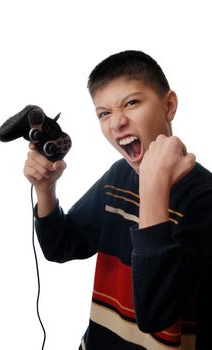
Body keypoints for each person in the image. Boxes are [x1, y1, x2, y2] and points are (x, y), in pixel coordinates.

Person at [24, 50, 212, 350]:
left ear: (169, 105)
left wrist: (153, 191)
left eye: (132, 103)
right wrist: (46, 190)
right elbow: (61, 246)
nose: (116, 123)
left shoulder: (204, 198)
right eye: (104, 113)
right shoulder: (118, 177)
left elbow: (155, 315)